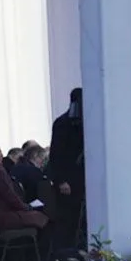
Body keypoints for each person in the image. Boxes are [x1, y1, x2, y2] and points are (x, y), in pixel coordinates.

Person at [0, 142, 48, 231]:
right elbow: (10, 196)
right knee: (43, 216)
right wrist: (27, 207)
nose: (2, 154)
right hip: (3, 216)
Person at [48, 87, 86, 250]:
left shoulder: (85, 122)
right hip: (67, 181)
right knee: (67, 220)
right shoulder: (62, 124)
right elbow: (56, 156)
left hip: (80, 179)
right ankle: (63, 256)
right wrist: (60, 180)